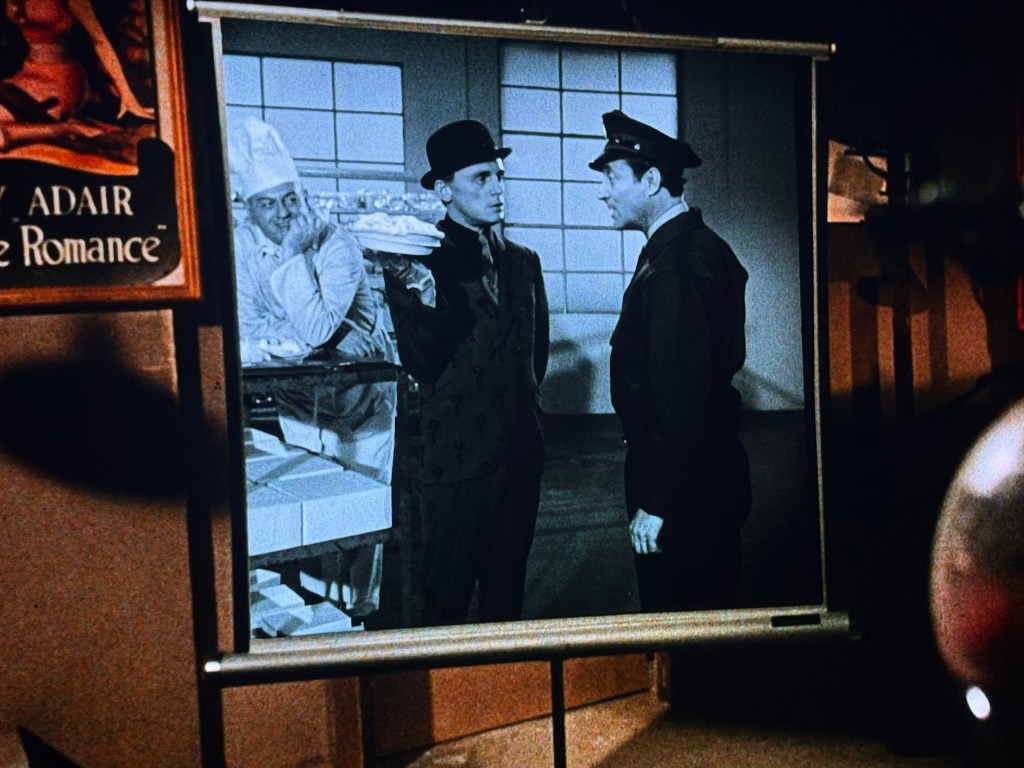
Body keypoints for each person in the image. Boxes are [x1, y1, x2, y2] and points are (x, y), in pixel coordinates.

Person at [382, 119, 549, 625]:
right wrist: (430, 286)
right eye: (481, 178)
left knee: (506, 599)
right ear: (443, 189)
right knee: (444, 602)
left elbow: (532, 358)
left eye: (499, 176)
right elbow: (421, 358)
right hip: (454, 465)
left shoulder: (524, 262)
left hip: (520, 458)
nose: (497, 188)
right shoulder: (417, 262)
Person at [229, 116, 396, 619]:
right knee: (310, 511)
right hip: (300, 402)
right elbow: (246, 331)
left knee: (363, 510)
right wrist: (290, 336)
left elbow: (316, 330)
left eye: (290, 199)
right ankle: (316, 614)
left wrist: (294, 258)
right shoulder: (240, 248)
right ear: (249, 207)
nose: (283, 212)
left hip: (363, 403)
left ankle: (363, 612)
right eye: (268, 203)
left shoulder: (336, 242)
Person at [590, 109, 752, 612]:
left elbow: (678, 395)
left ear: (652, 180)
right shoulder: (694, 247)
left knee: (681, 622)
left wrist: (657, 503)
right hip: (704, 473)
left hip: (685, 488)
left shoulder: (674, 267)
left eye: (613, 178)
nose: (605, 192)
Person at [0, 0, 154, 152]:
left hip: (60, 80)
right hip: (26, 76)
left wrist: (127, 95)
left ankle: (62, 130)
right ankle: (60, 128)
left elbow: (100, 41)